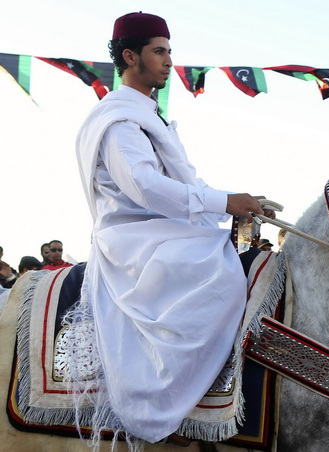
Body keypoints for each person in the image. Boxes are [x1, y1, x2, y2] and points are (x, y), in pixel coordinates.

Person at [73, 12, 274, 444]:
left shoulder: (149, 115)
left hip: (161, 229)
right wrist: (223, 203)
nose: (168, 62)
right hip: (134, 238)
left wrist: (240, 203)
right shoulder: (120, 120)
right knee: (219, 273)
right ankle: (162, 403)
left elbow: (185, 185)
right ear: (130, 56)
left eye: (169, 52)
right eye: (159, 52)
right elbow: (145, 188)